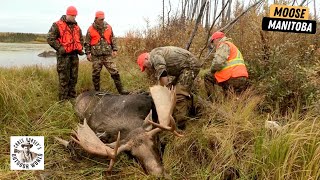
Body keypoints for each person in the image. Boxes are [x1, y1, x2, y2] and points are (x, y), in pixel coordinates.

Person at [137, 46, 201, 127]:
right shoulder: (155, 55)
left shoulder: (154, 57)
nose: (147, 68)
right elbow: (162, 77)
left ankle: (181, 124)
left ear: (146, 59)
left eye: (145, 66)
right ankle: (195, 109)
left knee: (179, 95)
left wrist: (166, 91)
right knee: (174, 89)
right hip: (184, 68)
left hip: (189, 67)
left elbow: (163, 73)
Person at [84, 11, 128, 94]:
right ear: (96, 18)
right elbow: (87, 43)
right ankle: (97, 91)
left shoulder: (108, 27)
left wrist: (115, 49)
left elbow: (113, 39)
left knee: (115, 72)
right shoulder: (90, 29)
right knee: (96, 73)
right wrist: (88, 53)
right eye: (100, 19)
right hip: (96, 56)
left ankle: (121, 91)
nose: (102, 20)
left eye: (103, 19)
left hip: (108, 55)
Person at [47, 6, 84, 101]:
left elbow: (81, 39)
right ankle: (63, 101)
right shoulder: (57, 25)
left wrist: (80, 48)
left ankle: (72, 98)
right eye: (72, 15)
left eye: (75, 16)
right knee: (64, 79)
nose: (74, 17)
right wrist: (60, 48)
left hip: (74, 55)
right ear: (67, 14)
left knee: (74, 77)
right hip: (63, 56)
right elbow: (50, 38)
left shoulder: (77, 27)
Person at [204, 31, 249, 100]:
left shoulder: (223, 45)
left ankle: (212, 102)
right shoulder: (232, 46)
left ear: (216, 39)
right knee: (231, 101)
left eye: (213, 42)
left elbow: (218, 63)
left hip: (232, 77)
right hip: (242, 78)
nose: (213, 45)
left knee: (207, 76)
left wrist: (212, 70)